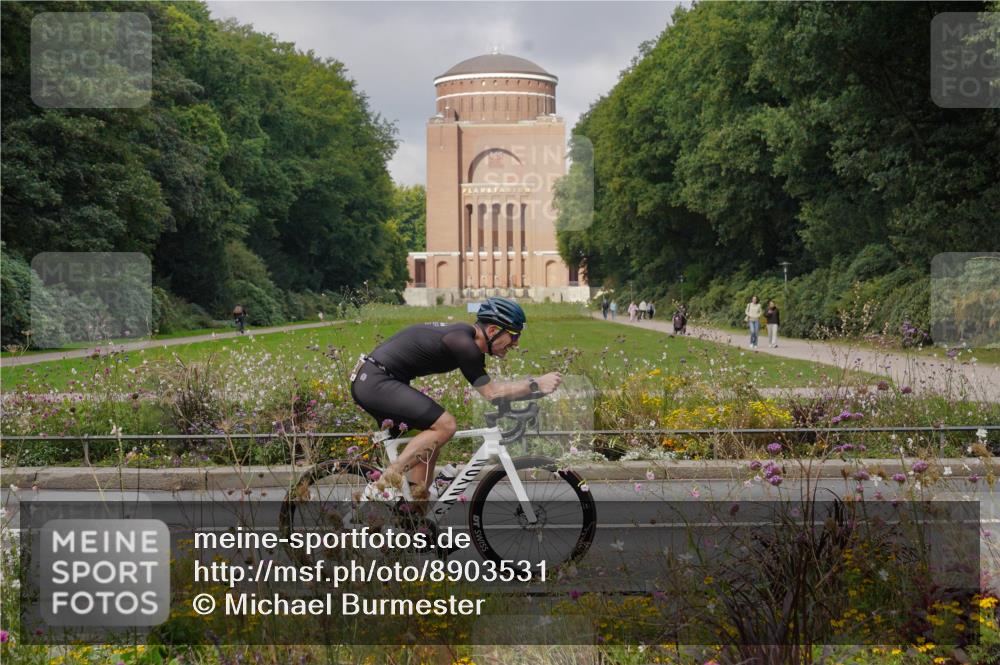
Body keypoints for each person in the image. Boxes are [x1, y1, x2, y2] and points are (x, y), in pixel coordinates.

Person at [351, 296, 562, 502]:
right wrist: (535, 384)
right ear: (492, 331)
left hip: (375, 380)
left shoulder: (467, 341)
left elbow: (495, 394)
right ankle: (387, 480)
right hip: (375, 382)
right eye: (514, 336)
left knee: (428, 448)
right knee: (446, 425)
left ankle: (415, 519)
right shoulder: (464, 343)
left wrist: (530, 394)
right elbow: (492, 393)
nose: (516, 344)